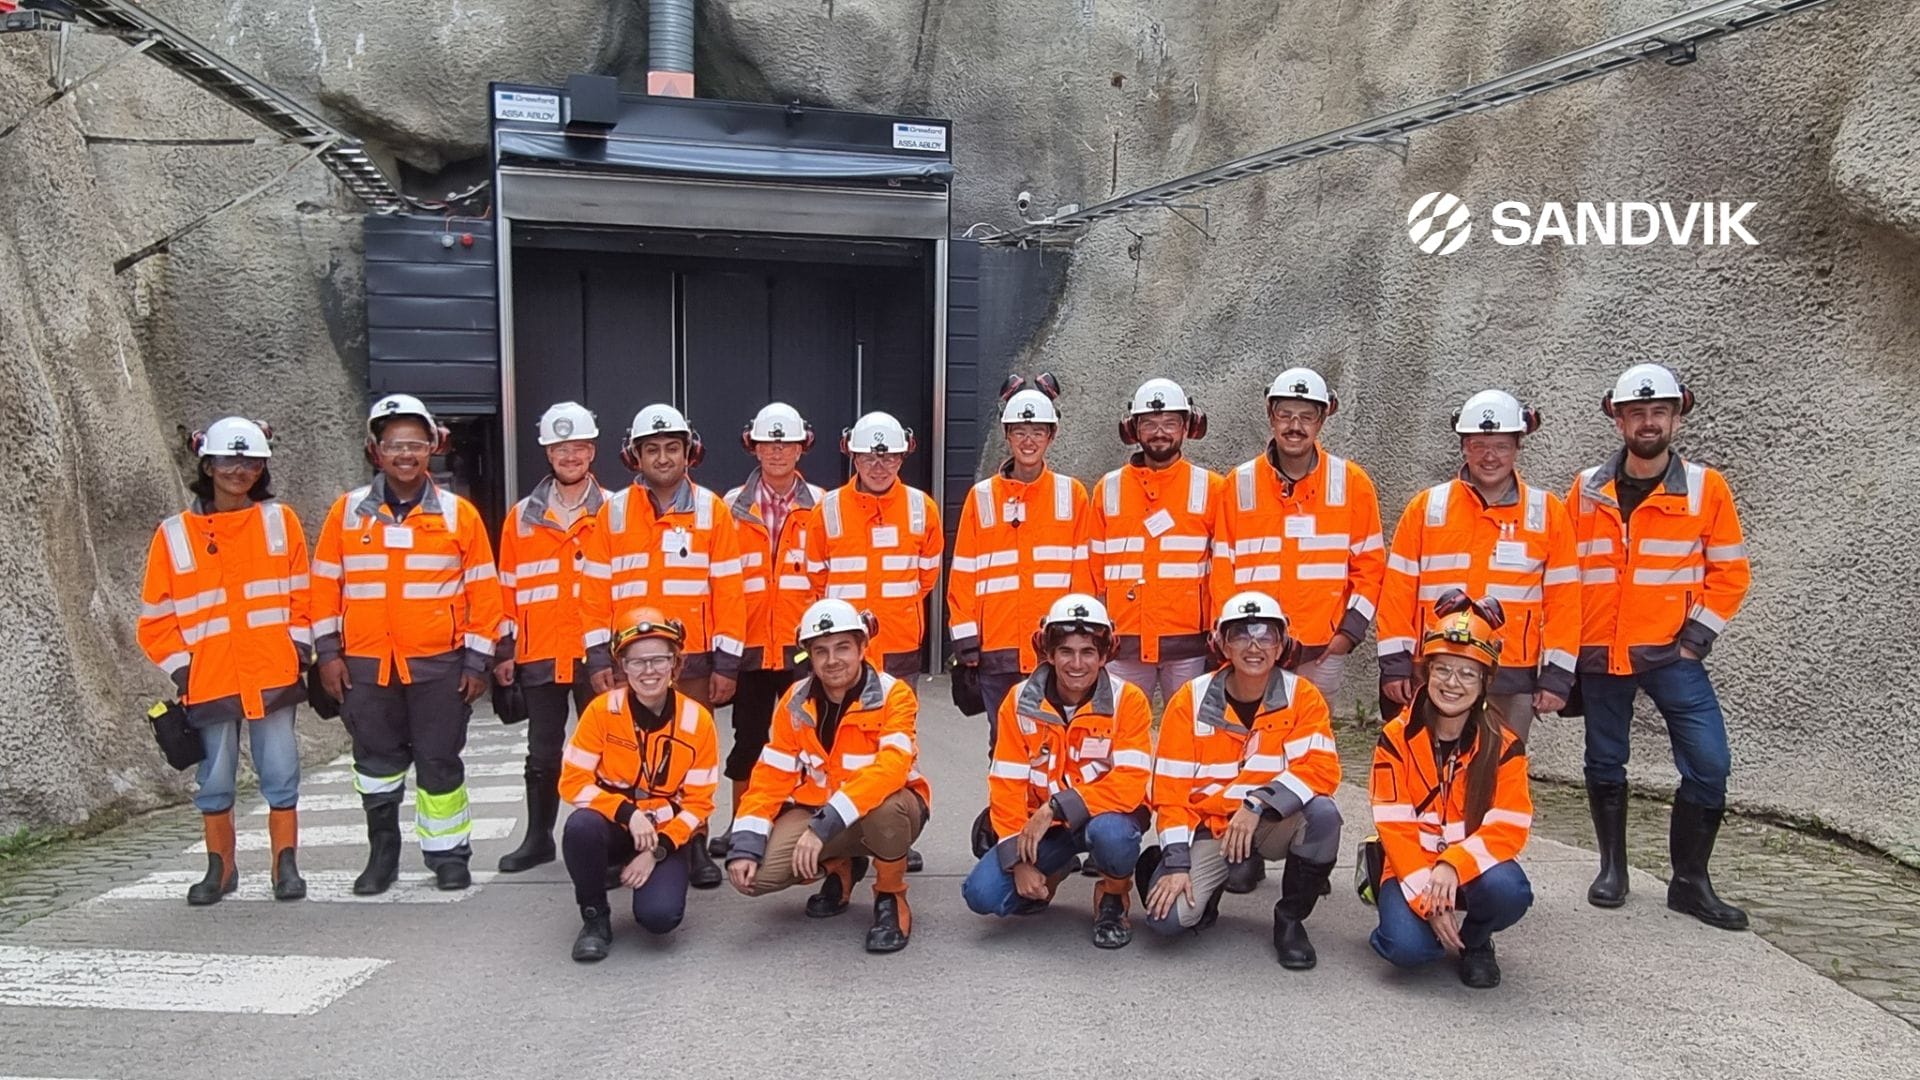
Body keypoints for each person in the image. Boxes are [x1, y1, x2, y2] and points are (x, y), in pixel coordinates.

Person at [1570, 363, 1752, 930]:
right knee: (1605, 760)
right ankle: (1613, 870)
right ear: (1618, 419)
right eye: (1637, 413)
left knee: (1709, 763)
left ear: (1676, 417)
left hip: (1673, 654)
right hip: (1601, 654)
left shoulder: (1705, 487)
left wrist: (1694, 641)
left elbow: (1731, 573)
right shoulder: (1586, 488)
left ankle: (1690, 883)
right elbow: (1563, 571)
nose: (1648, 423)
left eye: (1659, 412)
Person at [312, 394, 504, 893]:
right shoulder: (346, 514)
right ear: (374, 450)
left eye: (415, 443)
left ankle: (448, 855)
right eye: (394, 444)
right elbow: (323, 589)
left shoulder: (460, 517)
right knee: (376, 766)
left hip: (439, 665)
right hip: (366, 666)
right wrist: (328, 655)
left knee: (440, 760)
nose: (405, 454)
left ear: (433, 448)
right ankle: (383, 855)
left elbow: (485, 593)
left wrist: (478, 661)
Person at [137, 417, 310, 904]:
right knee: (213, 776)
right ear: (207, 464)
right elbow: (154, 618)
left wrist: (297, 650)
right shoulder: (172, 535)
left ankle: (285, 866)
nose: (240, 470)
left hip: (272, 672)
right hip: (208, 679)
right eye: (230, 460)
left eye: (251, 461)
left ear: (262, 467)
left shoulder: (281, 521)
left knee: (281, 770)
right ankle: (221, 868)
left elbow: (304, 596)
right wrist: (183, 669)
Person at [580, 402, 744, 889]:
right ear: (636, 456)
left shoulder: (712, 510)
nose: (664, 457)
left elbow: (729, 591)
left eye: (672, 447)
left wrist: (728, 663)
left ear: (688, 452)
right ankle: (633, 838)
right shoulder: (611, 512)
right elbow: (593, 590)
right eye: (652, 449)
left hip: (690, 661)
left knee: (690, 755)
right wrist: (596, 657)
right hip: (629, 663)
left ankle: (693, 844)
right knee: (630, 753)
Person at [1137, 591, 1343, 969]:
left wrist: (1258, 803)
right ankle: (1169, 869)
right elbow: (1170, 792)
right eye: (1241, 635)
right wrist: (1179, 861)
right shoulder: (1190, 700)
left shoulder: (1303, 696)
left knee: (1324, 814)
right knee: (1165, 922)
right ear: (1221, 645)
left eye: (1265, 635)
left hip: (1269, 821)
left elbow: (1321, 768)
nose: (1254, 646)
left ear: (1281, 645)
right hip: (1210, 830)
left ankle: (1291, 920)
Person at [725, 599, 931, 953]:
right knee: (755, 878)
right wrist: (744, 845)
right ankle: (842, 867)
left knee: (887, 809)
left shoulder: (894, 694)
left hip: (886, 812)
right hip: (820, 814)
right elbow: (769, 778)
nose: (832, 660)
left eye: (843, 648)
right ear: (809, 655)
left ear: (863, 647)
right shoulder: (794, 701)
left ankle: (890, 897)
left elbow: (892, 767)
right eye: (820, 651)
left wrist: (822, 828)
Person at [1376, 389, 1579, 737]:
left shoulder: (1547, 513)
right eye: (1478, 445)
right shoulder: (1427, 508)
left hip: (1512, 672)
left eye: (1501, 446)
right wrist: (1395, 665)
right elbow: (1398, 590)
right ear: (1463, 446)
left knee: (1502, 772)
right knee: (1432, 770)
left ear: (1517, 447)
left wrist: (1558, 676)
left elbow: (1565, 601)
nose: (1490, 456)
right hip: (1436, 669)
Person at [961, 594, 1152, 948]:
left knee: (1114, 835)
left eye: (1088, 652)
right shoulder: (1019, 702)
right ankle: (1055, 868)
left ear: (1105, 654)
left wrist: (1057, 806)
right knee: (981, 895)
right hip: (1040, 828)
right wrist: (1016, 861)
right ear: (1048, 652)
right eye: (1066, 651)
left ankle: (1113, 896)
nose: (1076, 663)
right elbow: (1006, 785)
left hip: (1102, 819)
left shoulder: (1129, 701)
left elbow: (1131, 783)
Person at [1368, 590, 1535, 988]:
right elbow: (1394, 825)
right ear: (1426, 673)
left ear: (1485, 682)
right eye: (1443, 670)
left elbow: (1509, 825)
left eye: (1467, 673)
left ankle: (1475, 941)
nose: (1453, 683)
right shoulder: (1395, 738)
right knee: (1408, 951)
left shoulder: (1505, 745)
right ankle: (1393, 905)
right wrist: (1428, 897)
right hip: (1410, 864)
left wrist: (1452, 864)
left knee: (1509, 890)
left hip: (1469, 869)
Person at [1210, 366, 1385, 701]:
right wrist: (1228, 631)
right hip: (1253, 645)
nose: (1295, 426)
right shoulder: (1239, 483)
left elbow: (1371, 566)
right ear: (1270, 416)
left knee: (1311, 742)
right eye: (1285, 415)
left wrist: (1349, 632)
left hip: (1321, 648)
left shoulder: (1352, 483)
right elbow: (1222, 565)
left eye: (1306, 416)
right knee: (1251, 740)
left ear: (1321, 421)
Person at [558, 608, 719, 962]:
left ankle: (660, 867)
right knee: (580, 826)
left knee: (660, 919)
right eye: (637, 662)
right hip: (613, 827)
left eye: (659, 660)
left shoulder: (698, 721)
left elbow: (699, 805)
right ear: (623, 667)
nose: (649, 671)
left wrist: (656, 850)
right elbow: (572, 782)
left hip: (665, 833)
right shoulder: (601, 712)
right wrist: (628, 814)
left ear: (675, 664)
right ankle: (594, 918)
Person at [493, 402, 609, 874]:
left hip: (595, 652)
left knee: (603, 751)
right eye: (560, 448)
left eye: (578, 446)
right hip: (539, 652)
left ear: (592, 450)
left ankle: (605, 842)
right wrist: (504, 649)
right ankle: (538, 837)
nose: (570, 455)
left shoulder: (615, 511)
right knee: (542, 751)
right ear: (547, 452)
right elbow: (504, 587)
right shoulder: (521, 516)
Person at [949, 375, 1095, 733]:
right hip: (995, 649)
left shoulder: (1071, 495)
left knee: (1056, 744)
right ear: (1007, 435)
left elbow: (1083, 572)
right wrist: (967, 641)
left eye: (1037, 432)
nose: (1028, 441)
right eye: (1019, 432)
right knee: (1004, 747)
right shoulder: (981, 497)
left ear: (1051, 436)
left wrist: (1075, 635)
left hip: (1053, 648)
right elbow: (963, 573)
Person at [711, 403, 824, 860]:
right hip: (750, 646)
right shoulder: (729, 508)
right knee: (750, 740)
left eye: (786, 442)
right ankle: (742, 827)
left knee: (808, 742)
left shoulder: (822, 506)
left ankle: (804, 828)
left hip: (804, 648)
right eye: (768, 442)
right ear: (752, 446)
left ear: (802, 447)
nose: (777, 451)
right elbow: (715, 583)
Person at [1089, 377, 1224, 702]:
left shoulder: (1214, 489)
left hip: (1190, 644)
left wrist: (1221, 634)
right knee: (1118, 734)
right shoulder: (1107, 489)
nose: (1159, 431)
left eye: (1170, 422)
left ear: (1187, 426)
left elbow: (1225, 568)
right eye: (1149, 422)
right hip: (1125, 644)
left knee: (1194, 736)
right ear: (1133, 429)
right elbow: (1090, 572)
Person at [807, 411, 943, 680]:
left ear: (902, 457)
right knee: (844, 720)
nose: (878, 467)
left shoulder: (922, 507)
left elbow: (927, 578)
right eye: (868, 458)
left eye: (889, 457)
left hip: (899, 640)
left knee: (898, 720)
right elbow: (816, 576)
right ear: (854, 457)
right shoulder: (827, 509)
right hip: (842, 639)